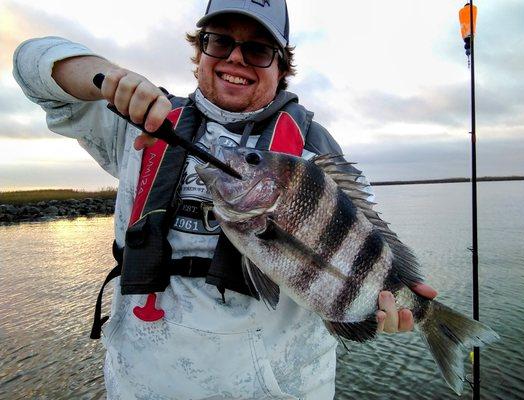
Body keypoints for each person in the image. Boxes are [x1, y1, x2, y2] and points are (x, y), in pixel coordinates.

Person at [13, 1, 437, 399]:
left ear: (282, 66)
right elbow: (30, 65)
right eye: (219, 41)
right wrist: (106, 76)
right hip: (140, 385)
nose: (235, 58)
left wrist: (384, 304)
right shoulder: (144, 121)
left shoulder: (315, 155)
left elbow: (364, 242)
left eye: (256, 49)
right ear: (199, 51)